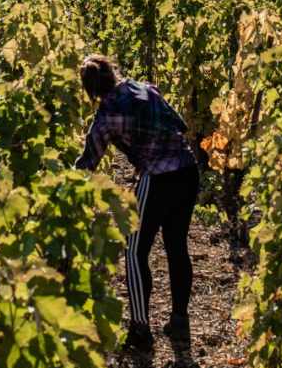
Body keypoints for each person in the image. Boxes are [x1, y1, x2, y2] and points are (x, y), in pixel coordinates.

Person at [74, 54, 199, 352]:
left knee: (134, 251)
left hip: (158, 178)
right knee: (176, 246)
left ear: (90, 91)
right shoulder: (146, 88)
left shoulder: (106, 115)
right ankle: (180, 321)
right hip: (188, 170)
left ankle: (140, 329)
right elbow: (179, 125)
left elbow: (88, 162)